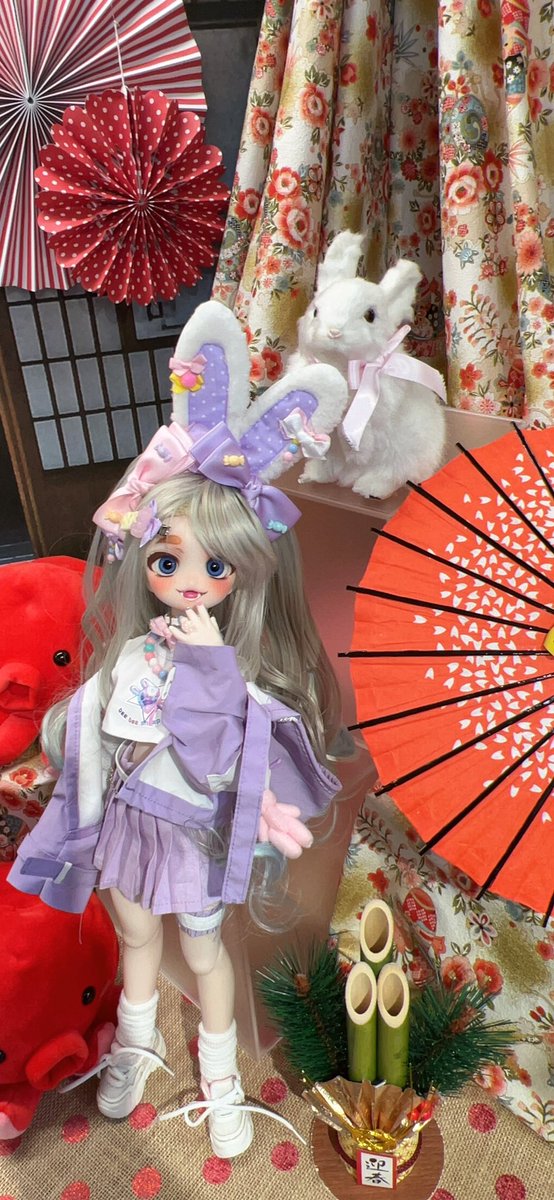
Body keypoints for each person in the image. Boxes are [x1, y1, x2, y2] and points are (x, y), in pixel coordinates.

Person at [8, 303, 343, 1158]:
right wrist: (82, 745)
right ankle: (136, 1044)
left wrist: (210, 671)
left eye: (214, 566)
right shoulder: (137, 648)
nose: (189, 581)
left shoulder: (238, 676)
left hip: (191, 833)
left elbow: (214, 757)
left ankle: (221, 1078)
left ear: (245, 574)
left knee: (204, 954)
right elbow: (91, 729)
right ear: (144, 564)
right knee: (134, 939)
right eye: (168, 561)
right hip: (128, 822)